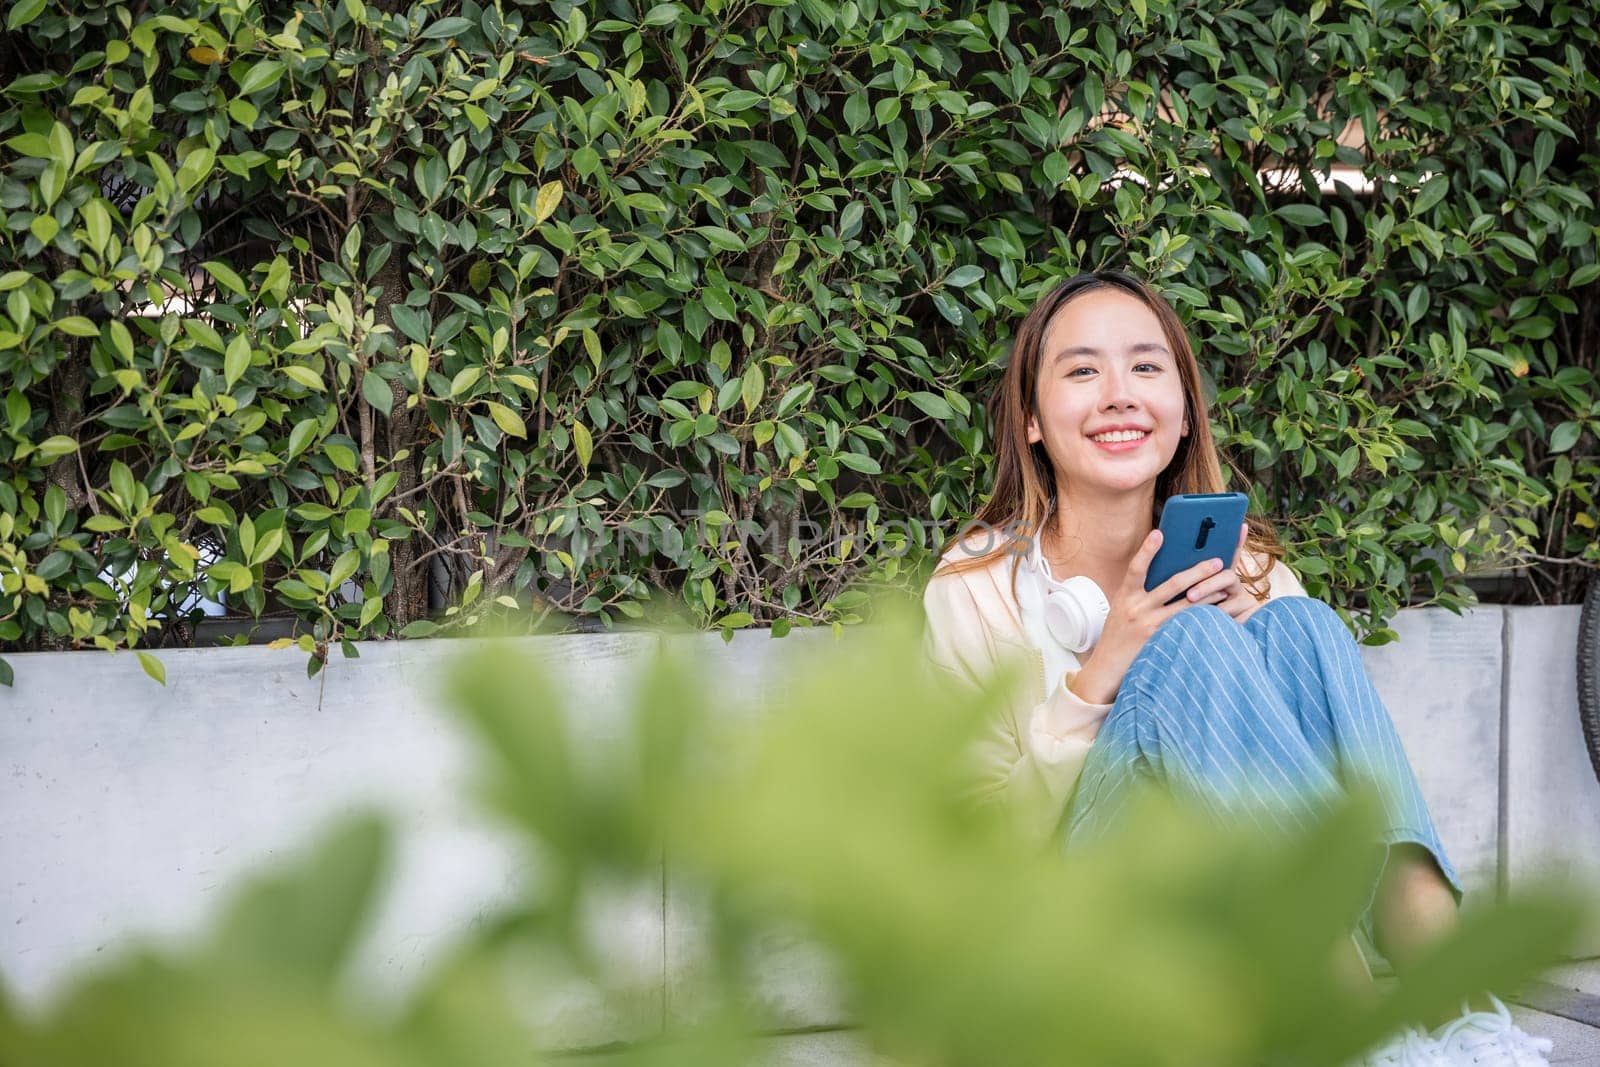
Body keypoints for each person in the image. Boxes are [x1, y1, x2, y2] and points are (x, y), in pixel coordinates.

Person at [919, 271, 1555, 1067]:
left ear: (1183, 413)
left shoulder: (1246, 567)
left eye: (1147, 368)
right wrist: (1104, 672)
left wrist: (1234, 678)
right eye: (1083, 371)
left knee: (1301, 627)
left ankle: (1464, 1016)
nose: (1119, 393)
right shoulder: (973, 587)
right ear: (1033, 421)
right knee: (1191, 647)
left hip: (1220, 946)